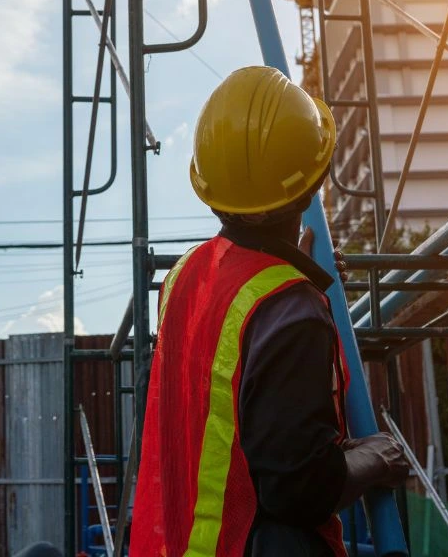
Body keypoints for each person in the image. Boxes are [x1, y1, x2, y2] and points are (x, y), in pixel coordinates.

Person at [130, 66, 409, 557]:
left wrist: (299, 272)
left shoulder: (184, 276)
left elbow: (233, 391)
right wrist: (377, 459)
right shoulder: (292, 311)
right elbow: (299, 489)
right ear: (311, 185)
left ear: (211, 190)